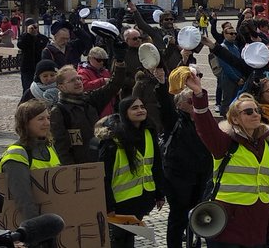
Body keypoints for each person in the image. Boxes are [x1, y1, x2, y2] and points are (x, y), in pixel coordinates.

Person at [185, 73, 269, 248]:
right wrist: (199, 94)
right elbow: (205, 127)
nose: (255, 114)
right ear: (235, 119)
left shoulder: (267, 144)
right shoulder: (225, 142)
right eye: (248, 112)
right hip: (227, 225)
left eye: (257, 110)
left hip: (258, 225)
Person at [97, 96, 166, 248]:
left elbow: (156, 165)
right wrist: (109, 206)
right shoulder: (113, 140)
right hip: (120, 202)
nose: (140, 110)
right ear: (124, 112)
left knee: (129, 238)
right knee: (118, 240)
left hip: (142, 199)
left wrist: (159, 193)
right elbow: (104, 176)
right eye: (134, 108)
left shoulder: (148, 133)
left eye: (142, 107)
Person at [1, 98, 61, 245]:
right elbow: (23, 198)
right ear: (25, 123)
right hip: (33, 231)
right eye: (40, 119)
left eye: (48, 118)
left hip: (52, 223)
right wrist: (38, 234)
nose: (47, 123)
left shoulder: (48, 147)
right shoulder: (17, 153)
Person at [161, 76, 212, 248]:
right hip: (179, 180)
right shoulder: (174, 121)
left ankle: (194, 244)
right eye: (190, 101)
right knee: (178, 218)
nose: (194, 104)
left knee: (198, 216)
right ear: (179, 104)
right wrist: (162, 82)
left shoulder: (203, 121)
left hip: (201, 177)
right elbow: (164, 102)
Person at [49, 61, 127, 164]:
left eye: (79, 78)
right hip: (78, 166)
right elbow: (61, 147)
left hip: (100, 160)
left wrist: (119, 64)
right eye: (72, 80)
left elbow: (113, 86)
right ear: (61, 87)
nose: (78, 82)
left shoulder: (90, 100)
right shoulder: (59, 111)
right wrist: (71, 169)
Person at [17, 20, 49, 92]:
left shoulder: (43, 38)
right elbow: (20, 45)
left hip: (39, 66)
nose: (34, 29)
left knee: (40, 88)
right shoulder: (23, 37)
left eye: (35, 27)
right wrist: (29, 35)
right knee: (27, 88)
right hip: (27, 67)